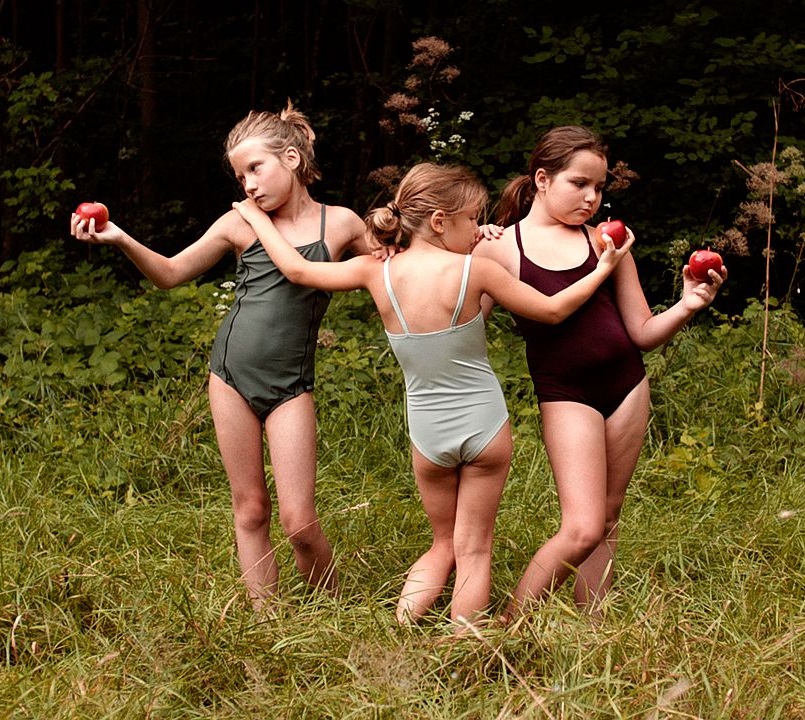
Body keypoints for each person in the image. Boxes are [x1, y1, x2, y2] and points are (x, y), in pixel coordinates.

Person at [231, 161, 633, 628]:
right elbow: (553, 310)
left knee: (443, 545)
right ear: (440, 221)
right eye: (472, 219)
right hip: (485, 427)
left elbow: (298, 270)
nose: (479, 230)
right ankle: (465, 640)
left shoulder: (375, 271)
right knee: (474, 549)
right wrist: (604, 268)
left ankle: (402, 628)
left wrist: (257, 218)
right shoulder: (476, 272)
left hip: (427, 433)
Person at [70, 101, 374, 611]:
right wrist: (119, 237)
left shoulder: (340, 223)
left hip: (291, 386)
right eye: (240, 177)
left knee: (299, 522)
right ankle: (265, 622)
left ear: (292, 159)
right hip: (230, 376)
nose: (248, 186)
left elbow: (396, 266)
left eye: (256, 168)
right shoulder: (239, 224)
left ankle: (337, 613)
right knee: (250, 509)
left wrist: (471, 240)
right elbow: (170, 273)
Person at [472, 125, 727, 620]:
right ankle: (508, 624)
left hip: (627, 385)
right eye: (579, 183)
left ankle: (593, 629)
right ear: (542, 179)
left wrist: (688, 304)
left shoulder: (607, 242)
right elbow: (464, 329)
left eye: (599, 187)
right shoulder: (500, 247)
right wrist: (464, 242)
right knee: (582, 526)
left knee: (608, 517)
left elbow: (642, 333)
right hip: (565, 392)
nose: (592, 197)